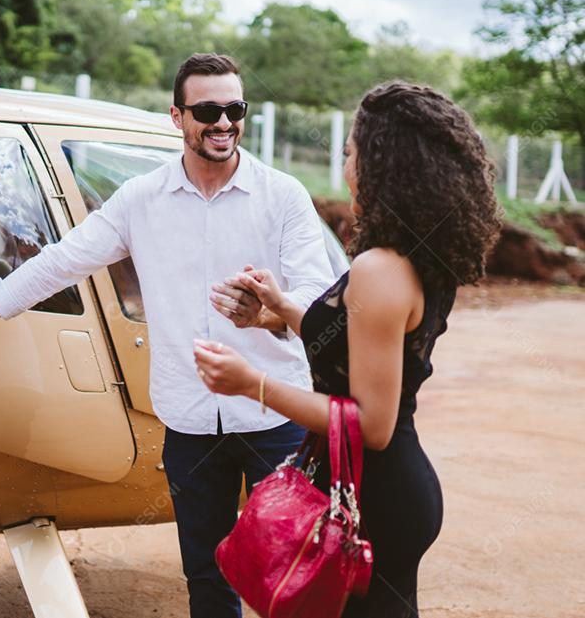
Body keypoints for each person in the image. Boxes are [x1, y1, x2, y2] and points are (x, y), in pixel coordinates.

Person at [0, 52, 335, 618]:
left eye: (235, 109)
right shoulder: (140, 200)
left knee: (297, 570)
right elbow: (57, 264)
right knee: (207, 573)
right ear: (177, 117)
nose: (224, 122)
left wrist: (270, 313)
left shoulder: (284, 197)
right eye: (208, 110)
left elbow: (317, 303)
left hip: (274, 415)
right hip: (191, 422)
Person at [194, 82, 501, 617]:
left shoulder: (379, 268)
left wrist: (252, 384)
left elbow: (371, 424)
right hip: (387, 488)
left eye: (350, 151)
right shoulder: (420, 254)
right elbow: (363, 341)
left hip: (375, 500)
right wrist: (283, 309)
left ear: (382, 164)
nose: (345, 163)